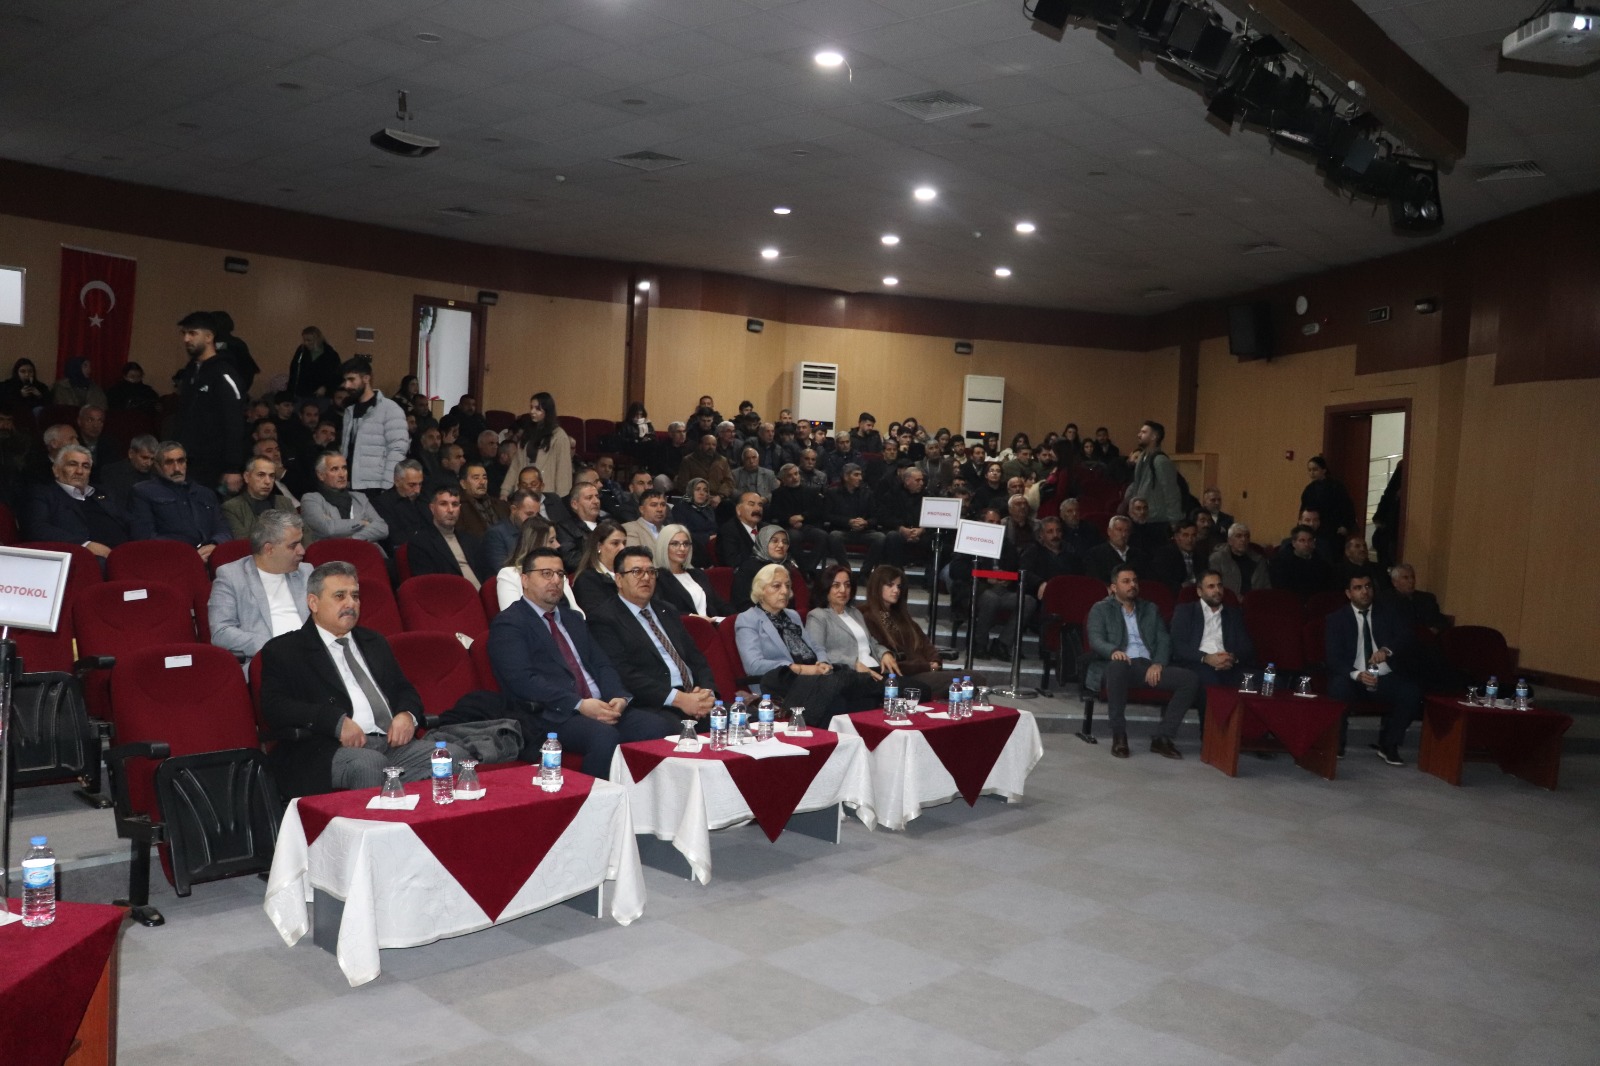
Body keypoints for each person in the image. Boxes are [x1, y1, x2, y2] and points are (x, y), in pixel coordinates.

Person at [258, 561, 466, 797]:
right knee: (370, 764)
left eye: (355, 596)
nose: (351, 603)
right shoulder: (286, 650)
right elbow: (275, 707)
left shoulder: (374, 642)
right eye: (340, 596)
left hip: (390, 745)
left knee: (453, 757)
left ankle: (420, 811)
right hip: (329, 749)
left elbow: (404, 689)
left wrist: (406, 715)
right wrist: (335, 722)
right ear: (313, 603)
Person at [488, 547, 678, 775]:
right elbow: (523, 681)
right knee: (604, 736)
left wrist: (618, 697)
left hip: (599, 705)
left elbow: (602, 664)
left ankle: (641, 794)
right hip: (552, 713)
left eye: (560, 574)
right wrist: (579, 704)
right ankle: (594, 797)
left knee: (658, 726)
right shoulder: (510, 623)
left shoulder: (573, 619)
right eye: (546, 574)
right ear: (525, 580)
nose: (555, 580)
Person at [587, 546, 719, 725]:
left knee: (746, 718)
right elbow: (625, 674)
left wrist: (706, 693)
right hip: (657, 704)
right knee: (671, 728)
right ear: (619, 579)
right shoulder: (604, 618)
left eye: (651, 571)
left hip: (695, 698)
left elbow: (696, 658)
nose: (646, 578)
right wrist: (679, 699)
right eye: (637, 572)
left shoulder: (667, 610)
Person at [1086, 564, 1199, 759]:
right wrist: (1113, 651)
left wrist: (1158, 663)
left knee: (1189, 679)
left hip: (1147, 666)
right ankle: (1119, 734)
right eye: (1126, 581)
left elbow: (1163, 639)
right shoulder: (1101, 608)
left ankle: (1163, 737)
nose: (1132, 585)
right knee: (1118, 667)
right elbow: (1095, 639)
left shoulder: (1150, 609)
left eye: (1135, 581)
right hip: (1119, 665)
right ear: (1114, 587)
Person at [734, 563, 864, 727]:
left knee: (856, 687)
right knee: (838, 694)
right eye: (777, 586)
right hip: (780, 683)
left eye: (787, 586)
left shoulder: (792, 616)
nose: (784, 591)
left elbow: (816, 647)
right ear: (761, 590)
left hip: (813, 678)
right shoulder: (747, 619)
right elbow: (753, 665)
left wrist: (822, 662)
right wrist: (798, 668)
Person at [1325, 573, 1421, 766]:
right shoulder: (1336, 619)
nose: (1365, 591)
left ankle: (1389, 744)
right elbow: (1333, 658)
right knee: (1338, 687)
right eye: (1358, 588)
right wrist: (1358, 675)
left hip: (1382, 676)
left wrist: (1387, 650)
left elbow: (1406, 636)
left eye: (1368, 586)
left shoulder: (1387, 613)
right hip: (1353, 677)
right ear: (1348, 593)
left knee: (1411, 692)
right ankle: (1337, 742)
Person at [209, 510, 313, 660]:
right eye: (293, 545)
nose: (302, 551)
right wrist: (276, 646)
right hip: (267, 659)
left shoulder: (306, 571)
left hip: (312, 655)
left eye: (301, 543)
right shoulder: (231, 576)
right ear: (269, 549)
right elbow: (221, 632)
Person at [949, 506, 1036, 661]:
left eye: (997, 522)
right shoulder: (970, 540)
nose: (995, 525)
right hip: (975, 589)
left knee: (1028, 601)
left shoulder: (1006, 544)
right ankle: (979, 643)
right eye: (991, 522)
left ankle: (1003, 643)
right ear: (981, 523)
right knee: (990, 598)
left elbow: (1016, 569)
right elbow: (956, 569)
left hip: (1002, 589)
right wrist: (985, 577)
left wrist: (1007, 578)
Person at [174, 311, 246, 492]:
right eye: (184, 333)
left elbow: (234, 421)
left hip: (214, 465)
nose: (186, 339)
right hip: (188, 460)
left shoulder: (224, 373)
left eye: (192, 333)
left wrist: (232, 467)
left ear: (209, 337)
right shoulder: (190, 371)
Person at [805, 565, 902, 700]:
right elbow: (818, 653)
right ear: (825, 588)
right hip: (852, 674)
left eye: (847, 585)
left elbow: (871, 642)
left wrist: (884, 653)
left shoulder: (855, 612)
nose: (843, 590)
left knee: (918, 689)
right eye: (836, 585)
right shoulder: (817, 616)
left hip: (875, 668)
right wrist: (853, 664)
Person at [129, 441, 231, 558]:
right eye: (169, 462)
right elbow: (145, 537)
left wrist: (214, 544)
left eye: (181, 461)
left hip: (211, 556)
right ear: (157, 465)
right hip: (171, 559)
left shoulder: (205, 493)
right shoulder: (143, 492)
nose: (176, 468)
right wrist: (188, 553)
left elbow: (224, 529)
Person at [23, 443, 128, 555]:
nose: (79, 471)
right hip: (83, 556)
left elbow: (127, 520)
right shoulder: (43, 494)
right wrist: (84, 545)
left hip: (124, 552)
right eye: (72, 465)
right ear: (56, 470)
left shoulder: (102, 492)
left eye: (85, 466)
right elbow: (37, 528)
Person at [1170, 570, 1255, 701]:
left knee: (1271, 681)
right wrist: (1206, 658)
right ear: (1199, 591)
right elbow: (1178, 646)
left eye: (1220, 586)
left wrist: (1232, 657)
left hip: (1228, 665)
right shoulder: (1185, 611)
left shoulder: (1233, 614)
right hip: (1198, 664)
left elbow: (1247, 647)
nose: (1217, 590)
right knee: (1212, 683)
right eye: (1211, 586)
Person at [862, 564, 948, 693]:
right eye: (890, 585)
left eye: (899, 586)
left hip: (925, 670)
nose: (896, 590)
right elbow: (890, 662)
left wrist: (935, 662)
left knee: (969, 677)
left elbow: (926, 644)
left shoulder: (901, 616)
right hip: (903, 676)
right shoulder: (867, 617)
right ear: (877, 586)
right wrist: (926, 667)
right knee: (973, 679)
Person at [338, 357, 410, 496]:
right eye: (345, 380)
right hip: (351, 485)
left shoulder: (390, 409)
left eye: (351, 379)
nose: (347, 385)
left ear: (366, 378)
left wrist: (387, 487)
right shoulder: (349, 411)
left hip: (376, 487)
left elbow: (397, 450)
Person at [406, 484, 490, 587]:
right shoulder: (420, 543)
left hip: (481, 594)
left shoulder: (471, 540)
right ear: (432, 508)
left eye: (455, 504)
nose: (450, 510)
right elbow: (429, 585)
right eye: (443, 504)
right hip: (452, 594)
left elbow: (487, 574)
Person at [301, 452, 389, 546]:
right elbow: (328, 529)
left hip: (364, 550)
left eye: (344, 468)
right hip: (330, 552)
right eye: (334, 469)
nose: (342, 474)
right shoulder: (311, 499)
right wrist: (362, 522)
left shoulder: (359, 498)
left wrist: (353, 539)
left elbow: (382, 528)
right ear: (321, 475)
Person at [651, 523, 731, 620]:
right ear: (663, 546)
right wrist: (693, 618)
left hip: (713, 624)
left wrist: (738, 617)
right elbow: (662, 610)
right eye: (675, 544)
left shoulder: (698, 574)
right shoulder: (657, 578)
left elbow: (719, 604)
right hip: (686, 626)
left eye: (686, 544)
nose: (682, 548)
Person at [501, 391, 573, 499]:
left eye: (537, 409)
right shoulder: (528, 432)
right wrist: (505, 491)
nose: (532, 412)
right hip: (523, 490)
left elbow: (563, 471)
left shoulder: (559, 436)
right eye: (531, 407)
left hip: (547, 492)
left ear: (547, 411)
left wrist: (560, 499)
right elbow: (515, 466)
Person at [769, 462, 834, 573]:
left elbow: (818, 511)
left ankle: (808, 569)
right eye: (790, 476)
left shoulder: (812, 491)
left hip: (808, 525)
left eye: (796, 474)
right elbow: (774, 513)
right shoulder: (778, 494)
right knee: (793, 537)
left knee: (823, 536)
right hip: (788, 527)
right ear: (783, 479)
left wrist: (802, 517)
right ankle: (806, 571)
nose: (794, 477)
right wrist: (789, 519)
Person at [826, 463, 886, 576]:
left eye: (860, 475)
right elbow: (828, 515)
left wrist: (866, 522)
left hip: (863, 532)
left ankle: (865, 573)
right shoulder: (833, 493)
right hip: (843, 530)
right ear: (846, 476)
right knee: (834, 536)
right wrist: (848, 522)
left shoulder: (867, 493)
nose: (860, 478)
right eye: (856, 475)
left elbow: (876, 517)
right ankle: (847, 570)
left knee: (880, 537)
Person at [222, 456, 298, 541]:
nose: (268, 481)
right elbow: (244, 543)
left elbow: (303, 533)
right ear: (246, 477)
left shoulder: (285, 502)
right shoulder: (232, 508)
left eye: (271, 476)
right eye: (261, 475)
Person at [730, 525, 801, 612]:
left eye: (785, 542)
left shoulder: (787, 567)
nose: (781, 545)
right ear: (763, 542)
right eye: (774, 541)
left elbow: (790, 602)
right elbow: (742, 603)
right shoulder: (749, 567)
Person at [372, 459, 430, 552]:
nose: (417, 490)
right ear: (397, 481)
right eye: (412, 485)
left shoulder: (424, 499)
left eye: (420, 484)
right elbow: (395, 539)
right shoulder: (383, 503)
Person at [483, 489, 541, 580]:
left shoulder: (537, 530)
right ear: (514, 509)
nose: (534, 520)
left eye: (536, 515)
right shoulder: (495, 534)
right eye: (529, 514)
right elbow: (503, 572)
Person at [572, 520, 628, 614]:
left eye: (624, 543)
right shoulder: (587, 579)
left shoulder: (629, 573)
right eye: (615, 543)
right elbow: (599, 614)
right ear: (598, 546)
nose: (622, 548)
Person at [97, 434, 159, 513]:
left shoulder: (156, 475)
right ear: (131, 453)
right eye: (144, 458)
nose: (149, 463)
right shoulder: (111, 472)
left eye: (152, 459)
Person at [1269, 524, 1335, 599]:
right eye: (1302, 540)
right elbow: (1281, 590)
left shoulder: (1322, 565)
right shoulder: (1281, 564)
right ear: (1294, 543)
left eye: (1310, 540)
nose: (1307, 544)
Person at [1301, 455, 1358, 540]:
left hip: (1334, 528)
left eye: (1315, 470)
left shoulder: (1336, 486)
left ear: (1324, 470)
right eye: (1309, 470)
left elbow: (1347, 507)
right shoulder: (1309, 489)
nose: (1312, 473)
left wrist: (1345, 525)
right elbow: (1304, 508)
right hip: (1314, 527)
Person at [1024, 515, 1084, 595]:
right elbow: (1025, 572)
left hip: (1069, 592)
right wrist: (1040, 583)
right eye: (1050, 531)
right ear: (1041, 534)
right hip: (1042, 593)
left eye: (1058, 531)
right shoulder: (1033, 551)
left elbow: (1079, 575)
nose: (1055, 535)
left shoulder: (1070, 551)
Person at [1380, 562, 1447, 632]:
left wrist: (1435, 629)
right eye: (1406, 578)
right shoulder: (1386, 599)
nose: (1411, 581)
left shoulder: (1426, 598)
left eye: (1413, 577)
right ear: (1395, 582)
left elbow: (1441, 621)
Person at [1209, 522, 1270, 597]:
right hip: (1228, 601)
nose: (1243, 539)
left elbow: (1266, 587)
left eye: (1246, 536)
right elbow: (1214, 587)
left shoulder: (1259, 560)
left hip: (1255, 601)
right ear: (1230, 541)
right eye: (1238, 536)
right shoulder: (1218, 559)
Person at [554, 479, 603, 569]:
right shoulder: (565, 528)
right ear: (575, 504)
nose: (596, 501)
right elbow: (571, 560)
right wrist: (603, 558)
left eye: (597, 496)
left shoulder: (607, 525)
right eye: (589, 498)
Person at [1084, 515, 1148, 584]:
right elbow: (1095, 582)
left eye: (1126, 531)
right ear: (1109, 531)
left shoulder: (1139, 555)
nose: (1123, 535)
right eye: (1119, 530)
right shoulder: (1095, 555)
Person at [670, 477, 719, 567]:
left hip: (711, 547)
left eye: (705, 490)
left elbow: (714, 529)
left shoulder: (709, 509)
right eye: (697, 489)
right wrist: (707, 538)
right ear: (690, 491)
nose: (702, 493)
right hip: (692, 549)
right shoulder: (680, 508)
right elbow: (682, 533)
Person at [673, 433, 733, 505]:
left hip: (717, 497)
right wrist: (699, 495)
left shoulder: (722, 460)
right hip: (694, 498)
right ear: (700, 445)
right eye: (707, 444)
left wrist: (720, 496)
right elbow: (683, 483)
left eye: (713, 445)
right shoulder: (688, 460)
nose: (711, 447)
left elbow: (729, 482)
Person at [1148, 518, 1202, 597]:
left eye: (1193, 535)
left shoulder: (1201, 556)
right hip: (1173, 596)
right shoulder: (1164, 555)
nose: (1190, 540)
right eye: (1185, 535)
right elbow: (1163, 582)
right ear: (1176, 537)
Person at [454, 462, 508, 539]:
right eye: (476, 478)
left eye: (484, 478)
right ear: (463, 484)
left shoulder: (501, 505)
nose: (482, 482)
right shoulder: (458, 509)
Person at [287, 326, 341, 399]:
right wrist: (291, 390)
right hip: (301, 393)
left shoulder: (330, 354)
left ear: (318, 339)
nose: (306, 343)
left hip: (321, 395)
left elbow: (336, 375)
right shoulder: (301, 351)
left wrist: (326, 387)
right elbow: (294, 371)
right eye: (304, 340)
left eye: (309, 340)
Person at [718, 491, 766, 570]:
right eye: (751, 504)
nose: (758, 509)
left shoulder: (766, 528)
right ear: (738, 509)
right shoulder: (728, 531)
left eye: (760, 505)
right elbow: (732, 562)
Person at [623, 487, 669, 555]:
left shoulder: (670, 531)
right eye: (654, 505)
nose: (660, 509)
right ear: (642, 509)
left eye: (663, 505)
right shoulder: (629, 529)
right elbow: (635, 557)